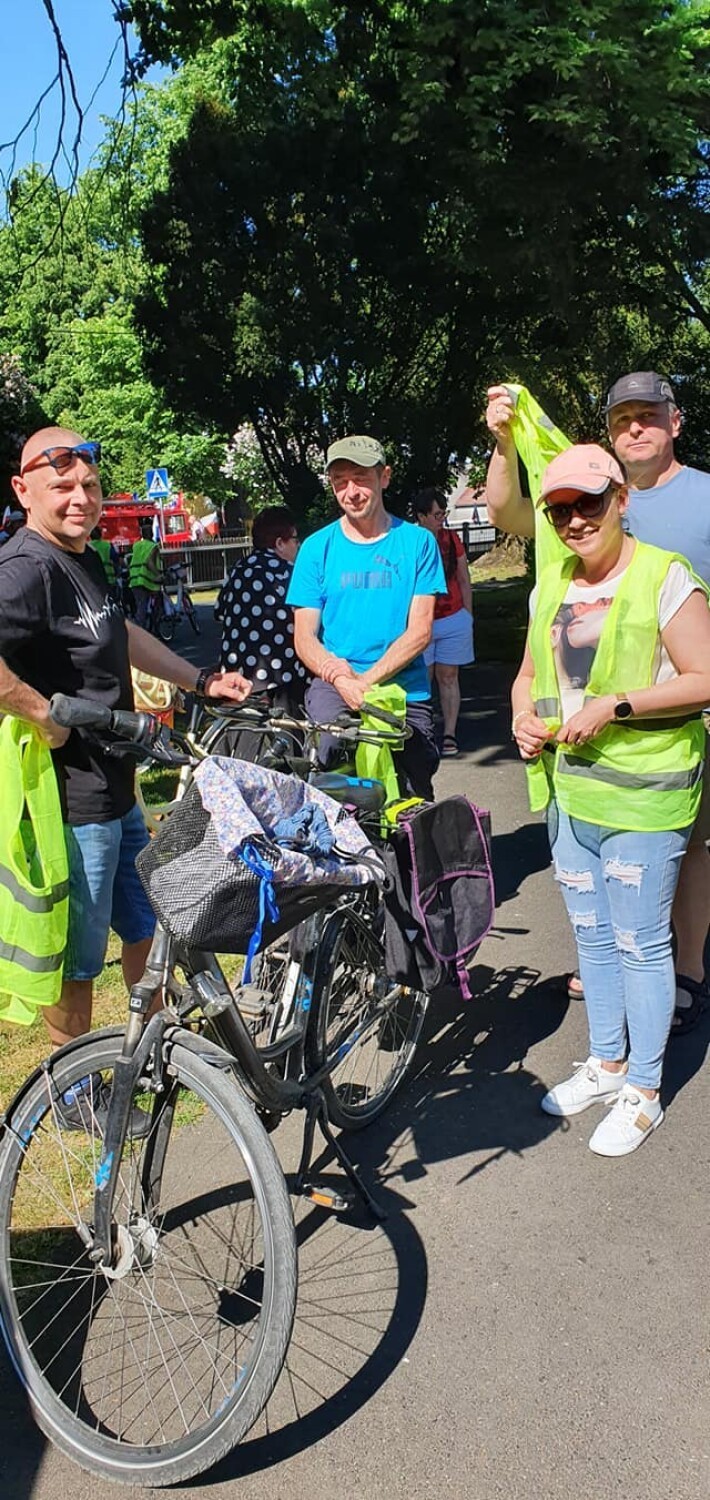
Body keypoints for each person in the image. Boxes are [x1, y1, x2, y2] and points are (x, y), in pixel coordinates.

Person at [1, 428, 251, 1123]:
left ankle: (151, 1053)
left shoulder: (80, 561)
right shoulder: (26, 566)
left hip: (117, 789)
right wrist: (39, 710)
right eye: (62, 487)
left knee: (147, 927)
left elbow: (120, 634)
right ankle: (76, 1096)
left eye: (87, 485)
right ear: (24, 491)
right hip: (71, 803)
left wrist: (199, 678)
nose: (79, 497)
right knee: (78, 962)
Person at [485, 373, 710, 1032]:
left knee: (691, 846)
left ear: (675, 423)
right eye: (622, 419)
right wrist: (503, 441)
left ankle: (686, 971)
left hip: (684, 707)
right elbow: (503, 513)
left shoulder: (703, 497)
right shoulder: (579, 503)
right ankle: (622, 963)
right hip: (591, 737)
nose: (635, 427)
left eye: (648, 415)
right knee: (609, 855)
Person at [511, 443, 710, 1155]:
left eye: (588, 503)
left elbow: (704, 676)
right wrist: (520, 717)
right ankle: (605, 1062)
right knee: (592, 937)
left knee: (640, 941)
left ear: (621, 499)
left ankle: (645, 1091)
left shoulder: (664, 576)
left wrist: (617, 705)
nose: (573, 521)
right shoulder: (551, 584)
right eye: (559, 509)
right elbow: (529, 671)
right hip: (572, 794)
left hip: (646, 797)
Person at [287, 434, 446, 800]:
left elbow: (420, 631)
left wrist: (366, 682)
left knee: (412, 790)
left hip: (404, 688)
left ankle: (409, 854)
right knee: (331, 773)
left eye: (360, 478)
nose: (351, 491)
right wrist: (342, 679)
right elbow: (305, 638)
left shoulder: (418, 543)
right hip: (335, 685)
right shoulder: (316, 548)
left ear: (384, 477)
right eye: (340, 481)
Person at [214, 505, 307, 708]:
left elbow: (219, 612)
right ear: (280, 543)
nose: (298, 545)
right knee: (290, 734)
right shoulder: (289, 573)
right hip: (282, 675)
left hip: (236, 676)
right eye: (295, 539)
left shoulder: (239, 569)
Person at [411, 488, 474, 757]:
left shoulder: (452, 539)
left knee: (448, 678)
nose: (441, 519)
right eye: (437, 514)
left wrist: (468, 615)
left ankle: (449, 734)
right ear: (421, 516)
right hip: (420, 622)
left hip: (453, 618)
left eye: (443, 513)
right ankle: (423, 735)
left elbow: (464, 578)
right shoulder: (410, 542)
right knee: (421, 679)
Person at [128, 519, 162, 627]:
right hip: (146, 580)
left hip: (134, 579)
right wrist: (158, 574)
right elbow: (150, 563)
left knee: (140, 605)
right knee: (144, 608)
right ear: (151, 533)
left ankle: (145, 626)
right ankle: (141, 632)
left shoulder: (136, 545)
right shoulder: (153, 546)